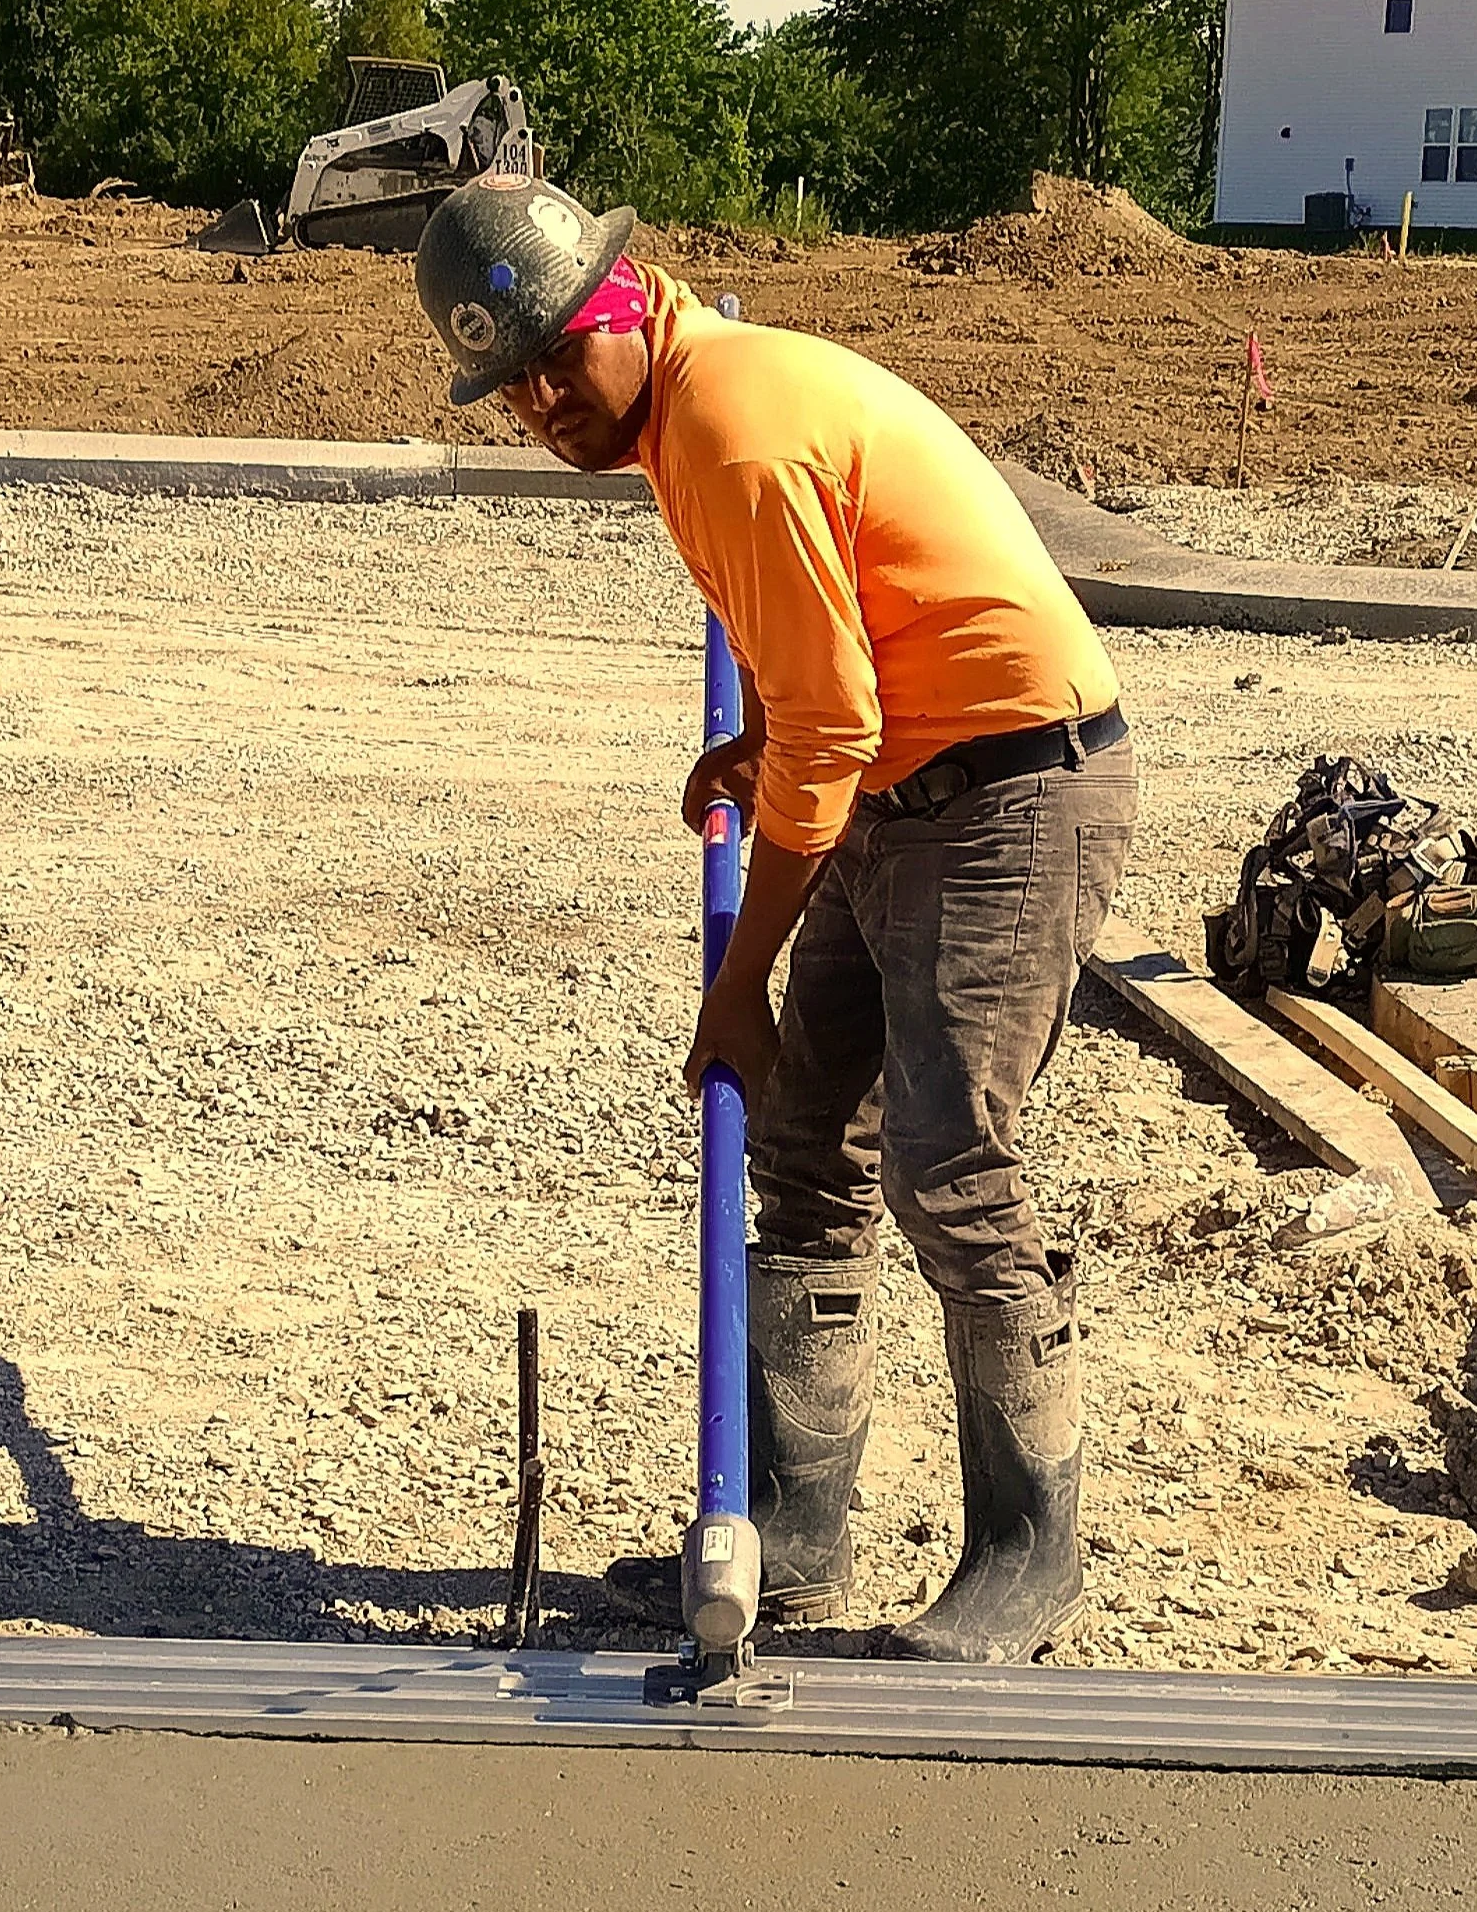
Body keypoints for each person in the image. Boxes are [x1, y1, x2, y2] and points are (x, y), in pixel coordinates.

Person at [412, 177, 1135, 1662]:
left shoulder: (726, 427)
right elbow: (832, 662)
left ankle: (1030, 1555)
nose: (546, 403)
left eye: (562, 359)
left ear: (633, 302)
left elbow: (832, 727)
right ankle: (795, 1532)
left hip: (1008, 790)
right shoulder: (688, 411)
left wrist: (737, 984)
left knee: (952, 1164)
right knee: (810, 1150)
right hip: (907, 774)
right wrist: (764, 744)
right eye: (515, 386)